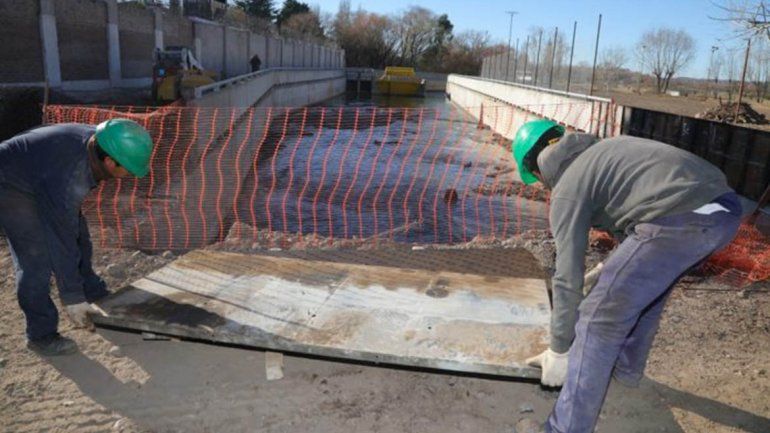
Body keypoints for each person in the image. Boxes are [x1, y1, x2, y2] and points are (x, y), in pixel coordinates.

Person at [512, 120, 741, 433]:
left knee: (596, 319)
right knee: (648, 293)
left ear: (538, 169)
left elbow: (567, 276)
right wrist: (609, 266)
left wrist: (559, 349)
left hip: (679, 218)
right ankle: (626, 370)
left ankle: (564, 428)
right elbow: (633, 216)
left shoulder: (567, 187)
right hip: (724, 211)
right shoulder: (606, 151)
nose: (542, 187)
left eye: (537, 182)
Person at [0, 119, 153, 356]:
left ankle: (94, 293)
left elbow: (68, 228)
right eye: (128, 169)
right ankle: (41, 334)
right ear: (110, 162)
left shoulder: (103, 142)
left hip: (41, 175)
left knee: (80, 238)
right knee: (35, 260)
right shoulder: (71, 171)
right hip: (9, 183)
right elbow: (60, 239)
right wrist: (72, 297)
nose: (130, 175)